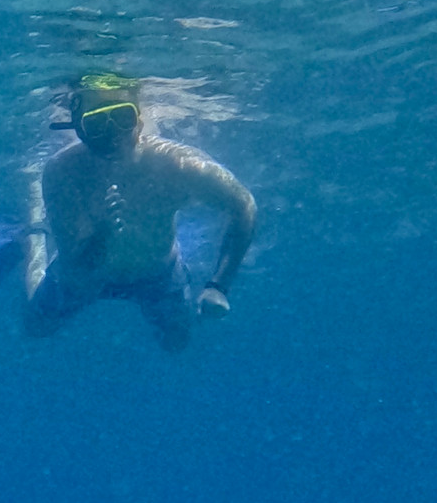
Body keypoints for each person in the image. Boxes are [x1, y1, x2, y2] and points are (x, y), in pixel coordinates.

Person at [18, 74, 258, 352]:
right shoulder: (62, 172)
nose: (113, 135)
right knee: (34, 327)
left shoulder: (177, 165)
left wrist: (219, 285)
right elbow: (78, 265)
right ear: (79, 129)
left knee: (176, 343)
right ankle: (33, 237)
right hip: (86, 278)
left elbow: (243, 204)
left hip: (156, 273)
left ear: (140, 121)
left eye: (122, 117)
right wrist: (104, 234)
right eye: (96, 123)